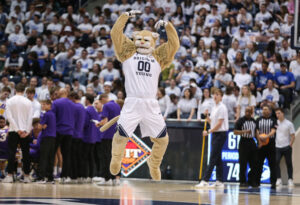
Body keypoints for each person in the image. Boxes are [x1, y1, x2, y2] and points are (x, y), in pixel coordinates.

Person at [109, 10, 179, 181]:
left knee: (163, 140)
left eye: (146, 40)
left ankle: (153, 163)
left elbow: (174, 45)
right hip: (132, 102)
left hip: (150, 104)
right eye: (138, 39)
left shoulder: (158, 57)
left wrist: (168, 26)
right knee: (120, 136)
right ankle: (116, 159)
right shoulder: (127, 53)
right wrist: (125, 16)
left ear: (154, 41)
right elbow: (115, 33)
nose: (141, 42)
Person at [196, 89, 229, 188]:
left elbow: (219, 124)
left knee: (213, 157)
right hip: (215, 134)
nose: (215, 96)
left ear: (221, 97)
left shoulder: (222, 107)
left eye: (217, 94)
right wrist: (207, 116)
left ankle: (205, 180)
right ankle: (220, 181)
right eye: (214, 94)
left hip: (220, 134)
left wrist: (208, 131)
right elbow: (213, 122)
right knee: (217, 158)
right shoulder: (214, 107)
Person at [2, 83, 33, 183]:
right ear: (24, 91)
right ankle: (27, 176)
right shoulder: (28, 102)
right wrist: (27, 131)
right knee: (26, 153)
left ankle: (10, 175)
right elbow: (30, 118)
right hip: (25, 131)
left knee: (11, 153)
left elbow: (9, 117)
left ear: (15, 90)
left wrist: (17, 129)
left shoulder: (9, 101)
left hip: (13, 131)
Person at [51, 88, 75, 183]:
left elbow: (53, 117)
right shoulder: (72, 104)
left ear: (60, 93)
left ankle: (51, 174)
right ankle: (65, 176)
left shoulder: (56, 103)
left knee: (53, 153)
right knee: (66, 155)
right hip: (69, 132)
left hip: (58, 130)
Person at [97, 94, 121, 186]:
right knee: (116, 157)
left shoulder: (106, 106)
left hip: (107, 135)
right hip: (116, 134)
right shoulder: (117, 105)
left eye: (101, 101)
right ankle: (116, 179)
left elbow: (105, 121)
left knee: (106, 157)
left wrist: (99, 124)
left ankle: (107, 179)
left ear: (103, 99)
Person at [234, 106, 257, 187]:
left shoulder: (254, 121)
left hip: (252, 142)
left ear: (251, 112)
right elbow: (235, 132)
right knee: (243, 164)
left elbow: (256, 132)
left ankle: (252, 181)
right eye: (246, 111)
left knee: (254, 163)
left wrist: (260, 141)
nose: (247, 113)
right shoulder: (241, 120)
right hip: (243, 142)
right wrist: (245, 131)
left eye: (249, 111)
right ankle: (242, 181)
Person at [255, 105, 277, 189]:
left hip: (271, 145)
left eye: (266, 109)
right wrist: (259, 139)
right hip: (261, 144)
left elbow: (273, 131)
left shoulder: (273, 120)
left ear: (270, 111)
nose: (264, 111)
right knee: (259, 164)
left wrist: (266, 136)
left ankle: (273, 183)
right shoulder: (258, 120)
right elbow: (256, 131)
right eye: (263, 109)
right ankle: (257, 182)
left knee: (272, 164)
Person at [35, 100, 56, 183]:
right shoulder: (53, 114)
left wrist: (41, 126)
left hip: (46, 137)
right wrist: (43, 126)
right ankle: (50, 177)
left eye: (44, 104)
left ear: (49, 105)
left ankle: (41, 177)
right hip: (53, 138)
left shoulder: (46, 114)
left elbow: (39, 127)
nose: (42, 106)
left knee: (43, 157)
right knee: (50, 157)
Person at [275, 108, 295, 187]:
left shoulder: (289, 124)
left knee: (289, 163)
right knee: (276, 162)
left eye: (279, 113)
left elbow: (293, 136)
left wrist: (290, 145)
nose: (277, 115)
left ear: (283, 113)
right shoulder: (275, 123)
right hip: (277, 146)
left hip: (286, 146)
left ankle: (290, 180)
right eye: (276, 114)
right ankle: (278, 179)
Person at [82, 94, 100, 183]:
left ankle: (85, 175)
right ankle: (91, 176)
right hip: (93, 136)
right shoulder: (94, 110)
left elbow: (84, 123)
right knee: (91, 156)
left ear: (87, 100)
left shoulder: (87, 110)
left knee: (85, 157)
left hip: (87, 136)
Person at [68, 92, 86, 183]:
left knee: (73, 157)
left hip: (74, 134)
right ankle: (80, 176)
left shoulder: (74, 107)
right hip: (80, 135)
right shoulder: (82, 107)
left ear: (72, 98)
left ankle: (73, 177)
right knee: (79, 157)